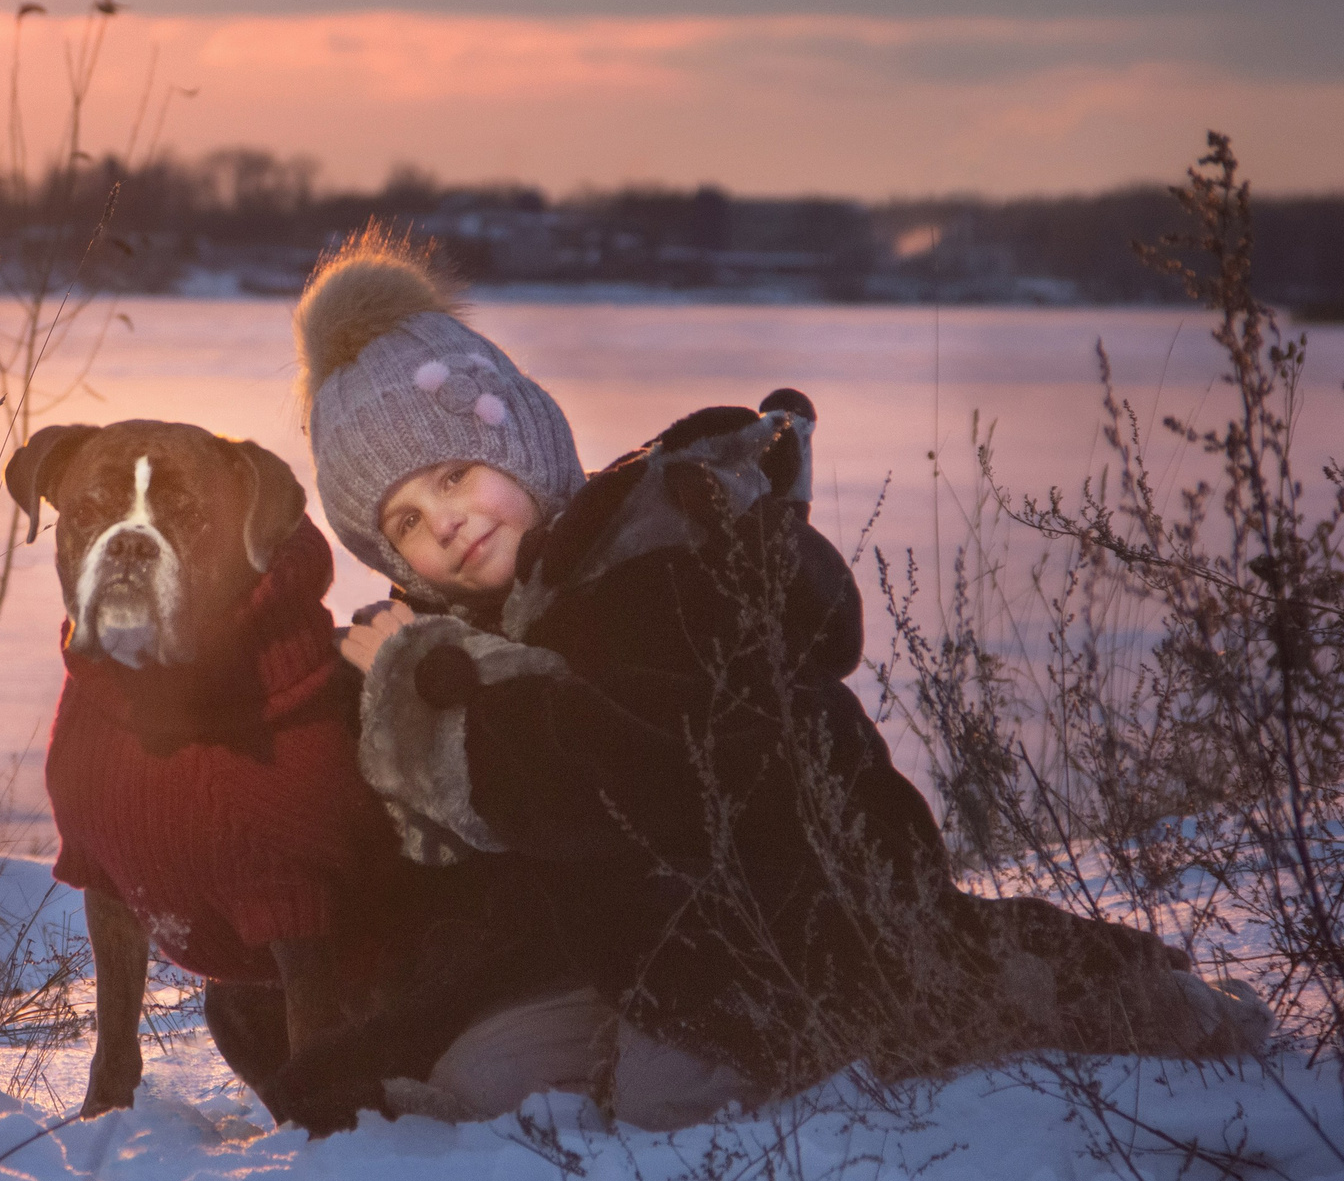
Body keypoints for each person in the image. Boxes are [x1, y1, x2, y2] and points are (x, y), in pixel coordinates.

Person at [267, 230, 1269, 1134]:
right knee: (485, 1076)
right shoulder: (477, 632)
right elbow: (504, 857)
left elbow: (647, 789)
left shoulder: (656, 557)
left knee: (678, 1095)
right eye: (401, 520)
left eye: (451, 474)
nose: (441, 520)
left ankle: (1091, 987)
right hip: (646, 945)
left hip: (807, 903)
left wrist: (462, 700)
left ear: (516, 442)